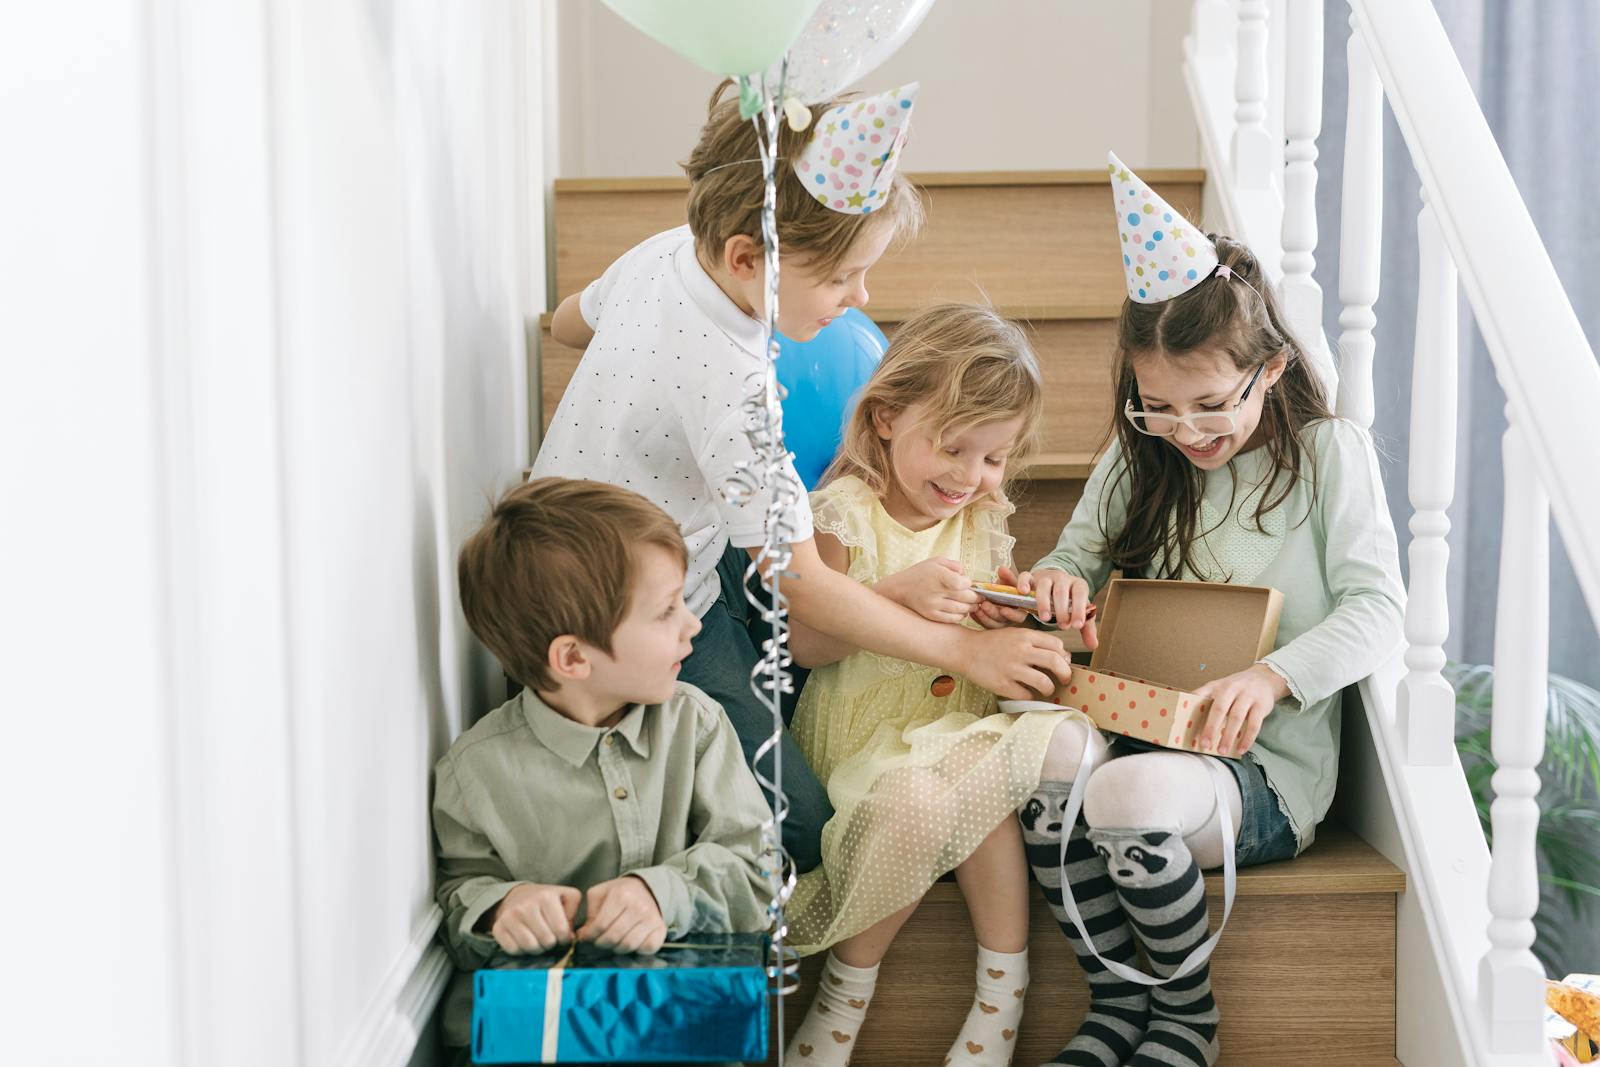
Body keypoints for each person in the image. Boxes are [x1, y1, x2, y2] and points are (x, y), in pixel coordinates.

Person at [536, 81, 1073, 873]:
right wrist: (965, 655)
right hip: (637, 599)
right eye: (844, 278)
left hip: (567, 539)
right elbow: (805, 586)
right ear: (747, 258)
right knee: (807, 827)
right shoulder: (737, 391)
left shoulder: (663, 251)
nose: (863, 299)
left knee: (783, 579)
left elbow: (565, 322)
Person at [1010, 154, 1405, 1067]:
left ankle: (1185, 1017)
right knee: (1039, 752)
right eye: (1158, 407)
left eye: (1209, 404)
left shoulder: (1327, 455)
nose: (1186, 430)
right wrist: (1057, 582)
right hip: (1140, 720)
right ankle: (1115, 1002)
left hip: (1260, 769)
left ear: (1268, 370)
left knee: (1124, 792)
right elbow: (1070, 555)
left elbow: (1380, 606)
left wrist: (1273, 676)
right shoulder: (1141, 454)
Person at [778, 304, 1098, 1067]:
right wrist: (895, 591)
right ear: (885, 417)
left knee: (981, 778)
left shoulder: (983, 512)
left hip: (954, 727)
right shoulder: (840, 512)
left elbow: (981, 626)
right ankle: (842, 997)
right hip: (862, 741)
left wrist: (1005, 613)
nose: (970, 476)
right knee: (923, 802)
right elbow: (809, 644)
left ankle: (1002, 993)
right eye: (954, 448)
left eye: (994, 458)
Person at [431, 478, 773, 1056]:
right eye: (666, 611)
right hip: (550, 1036)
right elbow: (461, 894)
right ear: (572, 658)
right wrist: (501, 909)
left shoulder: (698, 726)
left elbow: (758, 872)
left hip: (687, 1024)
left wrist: (661, 894)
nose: (692, 626)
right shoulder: (475, 773)